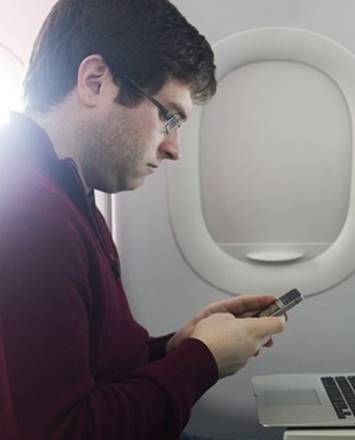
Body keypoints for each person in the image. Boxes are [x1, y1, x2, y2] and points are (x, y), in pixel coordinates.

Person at [0, 0, 286, 439]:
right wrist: (202, 360)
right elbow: (64, 430)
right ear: (95, 82)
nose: (174, 149)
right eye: (169, 117)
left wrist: (177, 347)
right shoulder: (29, 214)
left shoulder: (69, 196)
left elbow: (95, 370)